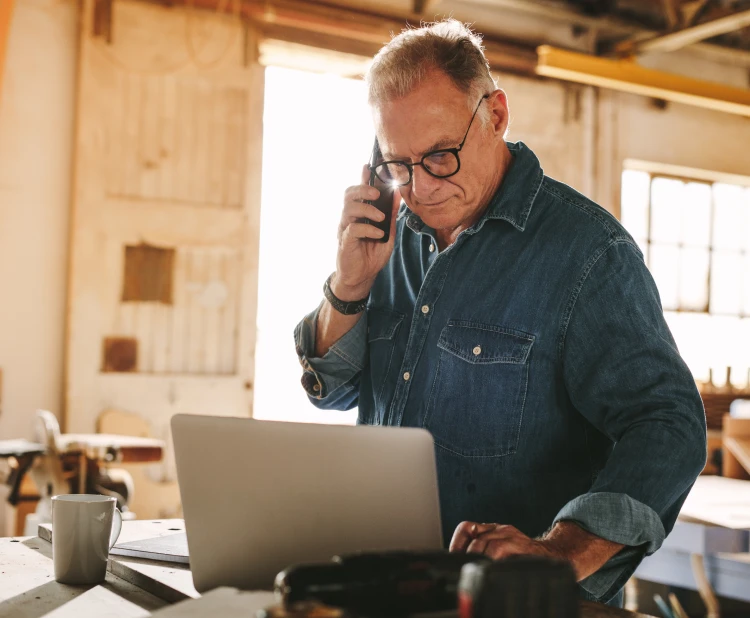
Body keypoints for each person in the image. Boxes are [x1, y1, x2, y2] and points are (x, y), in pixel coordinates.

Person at [293, 19, 706, 606]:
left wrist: (561, 553)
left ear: (496, 115)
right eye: (397, 165)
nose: (420, 188)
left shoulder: (588, 254)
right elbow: (329, 391)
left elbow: (668, 426)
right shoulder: (389, 238)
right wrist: (350, 284)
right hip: (388, 587)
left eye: (439, 156)